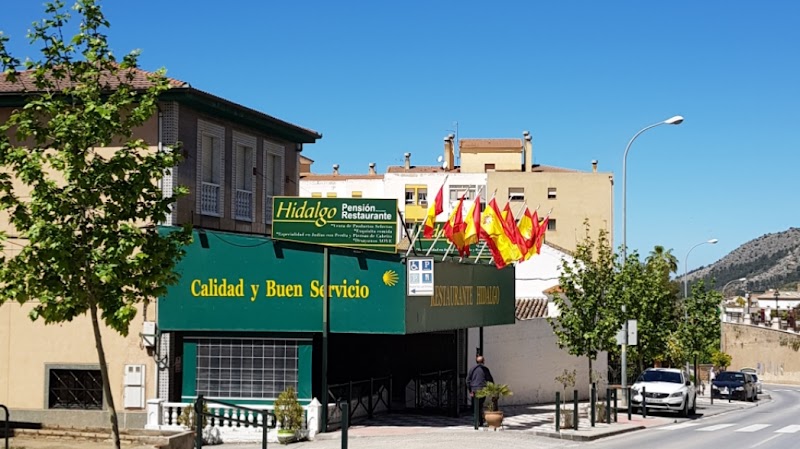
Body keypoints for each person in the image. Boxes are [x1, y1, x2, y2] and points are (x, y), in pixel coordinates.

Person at [466, 355, 494, 423]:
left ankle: (477, 420)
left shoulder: (472, 369)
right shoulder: (485, 369)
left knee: (475, 405)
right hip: (482, 388)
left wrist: (470, 390)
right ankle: (479, 421)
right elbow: (489, 379)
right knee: (480, 405)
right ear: (483, 361)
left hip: (474, 389)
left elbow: (468, 380)